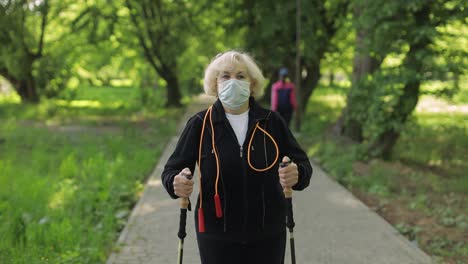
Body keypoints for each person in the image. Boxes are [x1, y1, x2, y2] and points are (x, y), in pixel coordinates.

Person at [161, 51, 312, 264]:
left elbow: (304, 167)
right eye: (225, 76)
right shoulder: (200, 124)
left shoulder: (272, 122)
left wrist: (297, 173)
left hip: (267, 234)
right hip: (216, 235)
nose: (233, 81)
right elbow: (171, 172)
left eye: (241, 76)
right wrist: (176, 182)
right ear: (215, 83)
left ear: (252, 84)